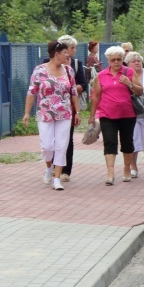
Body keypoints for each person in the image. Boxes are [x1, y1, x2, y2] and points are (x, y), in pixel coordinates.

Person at [23, 40, 81, 190]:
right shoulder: (39, 71)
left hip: (65, 114)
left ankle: (57, 179)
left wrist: (78, 112)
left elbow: (74, 92)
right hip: (45, 114)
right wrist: (26, 113)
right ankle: (49, 167)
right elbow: (31, 93)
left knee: (62, 146)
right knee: (47, 146)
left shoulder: (69, 70)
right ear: (57, 54)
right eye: (65, 53)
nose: (67, 55)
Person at [89, 46, 143, 185]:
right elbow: (96, 96)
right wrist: (92, 115)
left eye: (119, 59)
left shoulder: (129, 72)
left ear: (123, 59)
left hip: (127, 114)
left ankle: (126, 169)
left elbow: (140, 91)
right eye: (113, 60)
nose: (116, 62)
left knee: (127, 143)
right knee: (110, 142)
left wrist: (129, 84)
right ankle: (110, 172)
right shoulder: (101, 75)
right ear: (108, 60)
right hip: (107, 114)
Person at [59, 35, 87, 183]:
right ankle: (53, 166)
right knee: (53, 140)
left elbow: (84, 83)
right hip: (53, 108)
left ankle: (65, 170)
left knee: (67, 139)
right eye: (72, 48)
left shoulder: (76, 64)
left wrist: (75, 88)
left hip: (70, 106)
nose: (74, 50)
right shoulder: (47, 63)